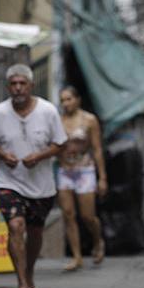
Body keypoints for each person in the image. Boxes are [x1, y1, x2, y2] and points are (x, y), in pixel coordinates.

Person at [0, 64, 67, 288]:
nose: (18, 88)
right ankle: (20, 282)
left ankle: (29, 272)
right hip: (9, 181)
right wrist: (3, 156)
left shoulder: (48, 111)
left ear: (31, 85)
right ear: (8, 86)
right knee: (15, 226)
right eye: (13, 83)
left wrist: (39, 156)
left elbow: (60, 143)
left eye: (22, 83)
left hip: (41, 185)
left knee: (35, 232)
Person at [57, 86, 108, 271]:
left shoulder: (89, 120)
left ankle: (97, 240)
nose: (66, 103)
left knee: (87, 216)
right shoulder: (58, 120)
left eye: (69, 99)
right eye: (62, 100)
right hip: (64, 170)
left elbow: (97, 149)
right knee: (68, 214)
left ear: (77, 100)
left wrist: (102, 177)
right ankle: (77, 257)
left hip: (85, 170)